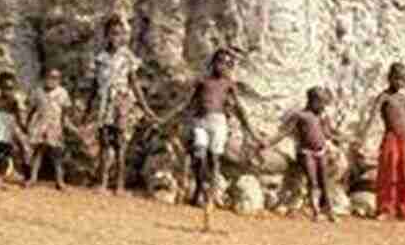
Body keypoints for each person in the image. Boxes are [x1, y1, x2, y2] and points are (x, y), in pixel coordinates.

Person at [167, 47, 260, 209]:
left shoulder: (228, 84)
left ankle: (210, 193)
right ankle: (199, 186)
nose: (221, 66)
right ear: (213, 62)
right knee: (198, 153)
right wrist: (166, 117)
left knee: (214, 158)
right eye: (219, 61)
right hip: (201, 121)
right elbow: (187, 102)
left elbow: (238, 108)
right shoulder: (203, 81)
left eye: (226, 63)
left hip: (218, 121)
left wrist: (252, 133)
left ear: (229, 66)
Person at [85, 16, 154, 195]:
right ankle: (102, 182)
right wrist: (87, 108)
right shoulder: (100, 58)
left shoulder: (127, 57)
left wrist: (145, 107)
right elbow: (94, 85)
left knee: (121, 143)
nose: (116, 38)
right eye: (113, 33)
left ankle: (120, 185)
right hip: (104, 102)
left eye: (120, 34)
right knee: (104, 142)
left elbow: (134, 83)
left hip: (121, 102)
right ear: (106, 35)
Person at [257, 86, 340, 223]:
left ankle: (329, 210)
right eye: (321, 103)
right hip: (306, 152)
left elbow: (329, 133)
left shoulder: (321, 116)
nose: (323, 106)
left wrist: (343, 138)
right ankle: (316, 211)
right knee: (312, 181)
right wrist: (268, 143)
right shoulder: (300, 116)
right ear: (313, 101)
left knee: (324, 182)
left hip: (321, 152)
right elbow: (284, 132)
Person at [364, 62, 405, 219]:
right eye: (396, 78)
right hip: (391, 137)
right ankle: (385, 209)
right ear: (389, 78)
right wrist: (364, 137)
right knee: (389, 172)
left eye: (402, 79)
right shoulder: (384, 97)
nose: (399, 82)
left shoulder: (403, 98)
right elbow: (372, 117)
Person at [25, 66, 73, 190]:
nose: (52, 80)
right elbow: (32, 109)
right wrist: (27, 122)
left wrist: (63, 126)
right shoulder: (37, 91)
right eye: (50, 77)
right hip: (41, 124)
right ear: (44, 78)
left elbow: (66, 111)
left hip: (55, 125)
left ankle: (59, 181)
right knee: (38, 152)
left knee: (56, 155)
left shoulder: (62, 93)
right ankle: (33, 178)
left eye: (55, 78)